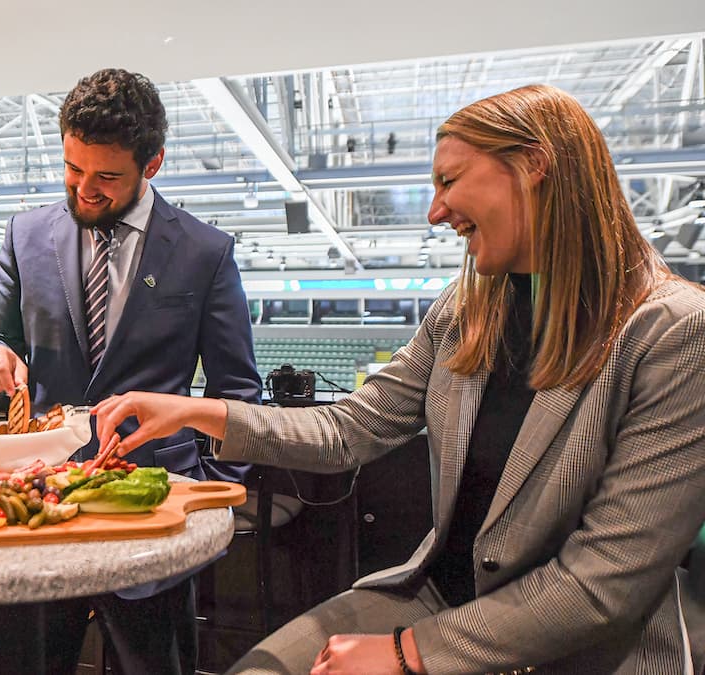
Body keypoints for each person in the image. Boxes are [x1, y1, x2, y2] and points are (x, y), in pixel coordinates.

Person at [94, 84, 705, 674]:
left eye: (448, 182)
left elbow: (602, 584)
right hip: (439, 597)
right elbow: (349, 429)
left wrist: (407, 653)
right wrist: (198, 412)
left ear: (535, 165)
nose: (436, 211)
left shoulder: (673, 333)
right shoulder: (467, 308)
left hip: (579, 649)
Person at [0, 67, 262, 674]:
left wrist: (201, 491)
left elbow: (236, 390)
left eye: (106, 176)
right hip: (34, 508)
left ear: (151, 165)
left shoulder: (206, 253)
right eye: (73, 169)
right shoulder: (26, 235)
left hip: (151, 513)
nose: (84, 190)